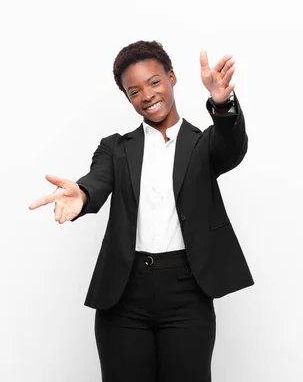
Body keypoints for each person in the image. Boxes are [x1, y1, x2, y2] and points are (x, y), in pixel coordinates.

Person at [29, 40, 254, 382]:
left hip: (187, 295)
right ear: (127, 98)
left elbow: (232, 148)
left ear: (172, 78)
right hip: (124, 295)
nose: (146, 95)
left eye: (153, 82)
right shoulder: (116, 148)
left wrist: (222, 104)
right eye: (134, 91)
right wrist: (82, 195)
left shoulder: (203, 144)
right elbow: (97, 180)